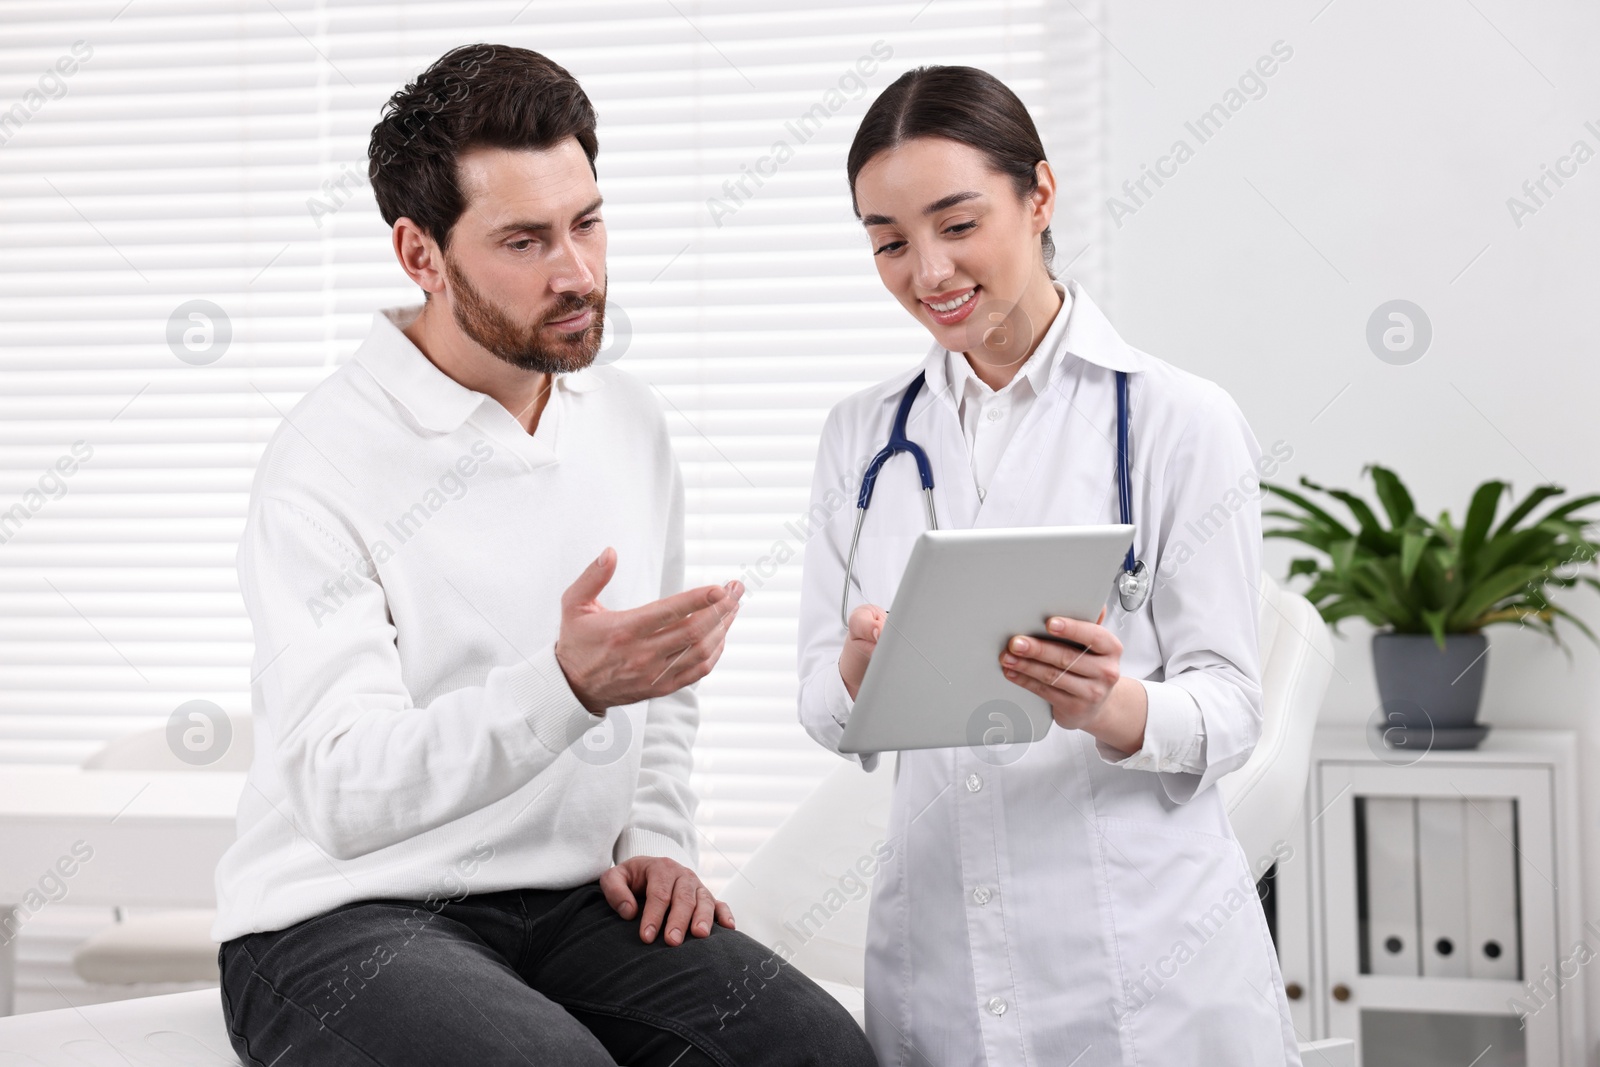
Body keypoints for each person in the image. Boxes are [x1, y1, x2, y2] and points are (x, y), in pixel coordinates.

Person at [213, 43, 876, 1067]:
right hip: (338, 914)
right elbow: (340, 789)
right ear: (419, 254)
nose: (575, 272)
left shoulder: (625, 419)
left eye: (587, 222)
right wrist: (565, 683)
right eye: (523, 241)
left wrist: (658, 839)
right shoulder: (323, 458)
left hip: (570, 902)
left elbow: (658, 697)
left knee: (817, 1050)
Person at [797, 65, 1302, 1066]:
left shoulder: (1175, 420)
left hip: (1138, 953)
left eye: (958, 223)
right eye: (888, 242)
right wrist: (860, 674)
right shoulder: (861, 435)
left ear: (1040, 197)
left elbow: (1235, 704)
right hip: (939, 944)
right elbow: (819, 698)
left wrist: (1111, 705)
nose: (927, 270)